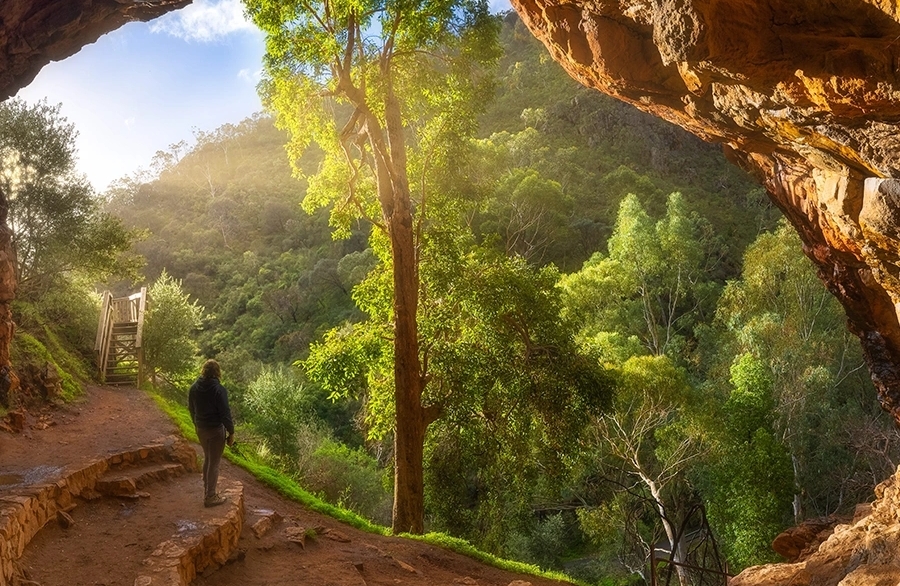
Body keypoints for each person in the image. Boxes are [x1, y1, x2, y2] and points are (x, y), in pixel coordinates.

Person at [188, 359, 235, 507]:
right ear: (217, 372)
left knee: (208, 458)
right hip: (215, 430)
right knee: (214, 462)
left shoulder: (194, 388)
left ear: (203, 370)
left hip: (201, 428)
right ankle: (210, 496)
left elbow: (191, 409)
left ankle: (208, 490)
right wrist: (231, 432)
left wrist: (196, 424)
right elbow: (225, 413)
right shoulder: (219, 390)